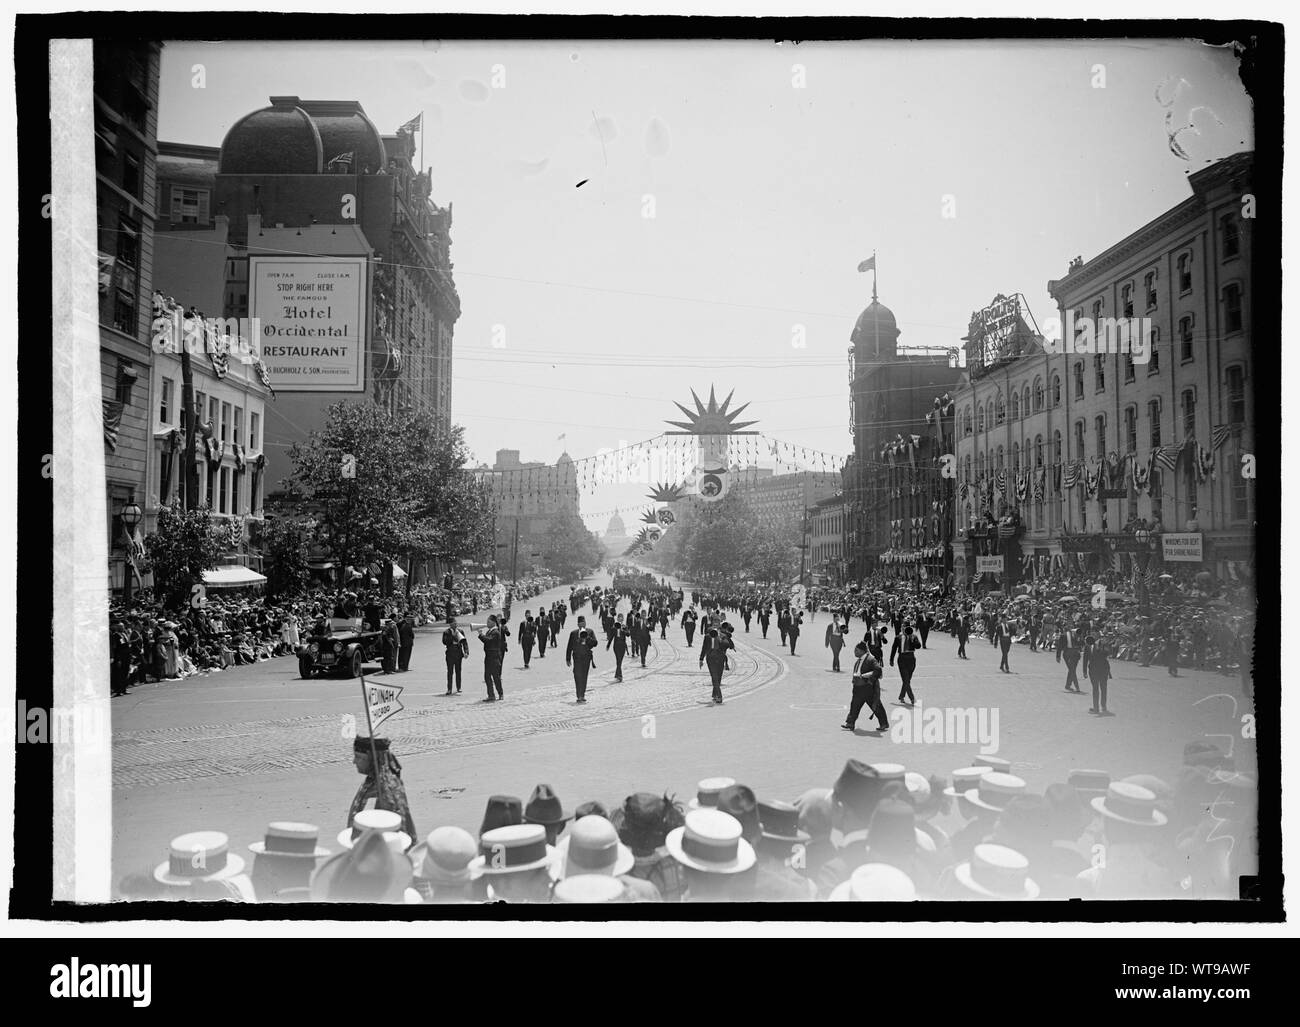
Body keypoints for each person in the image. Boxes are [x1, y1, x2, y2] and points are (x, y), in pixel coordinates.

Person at [346, 737, 418, 844]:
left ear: (373, 759)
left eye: (358, 757)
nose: (354, 761)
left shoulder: (385, 790)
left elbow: (393, 832)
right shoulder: (371, 782)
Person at [843, 642, 887, 732]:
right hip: (858, 688)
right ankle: (850, 723)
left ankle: (884, 723)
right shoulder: (859, 660)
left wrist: (870, 681)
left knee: (876, 705)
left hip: (867, 688)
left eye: (856, 650)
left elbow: (878, 669)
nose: (854, 652)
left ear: (862, 651)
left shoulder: (870, 659)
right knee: (854, 705)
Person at [566, 616, 598, 703]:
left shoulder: (590, 632)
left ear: (585, 623)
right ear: (578, 625)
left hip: (586, 658)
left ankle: (582, 695)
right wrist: (568, 658)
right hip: (577, 658)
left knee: (584, 676)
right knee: (577, 675)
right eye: (580, 624)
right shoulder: (573, 633)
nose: (582, 625)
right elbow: (569, 646)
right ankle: (579, 695)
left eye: (583, 623)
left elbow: (595, 643)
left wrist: (587, 638)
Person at [701, 627, 734, 704]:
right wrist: (701, 659)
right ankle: (719, 696)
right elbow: (704, 648)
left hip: (720, 658)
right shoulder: (707, 637)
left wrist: (722, 638)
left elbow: (730, 646)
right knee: (714, 676)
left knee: (718, 677)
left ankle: (715, 694)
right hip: (710, 658)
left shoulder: (722, 636)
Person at [477, 614, 506, 702]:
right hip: (488, 657)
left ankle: (500, 693)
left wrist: (481, 635)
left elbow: (488, 641)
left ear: (493, 622)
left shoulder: (496, 632)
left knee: (496, 677)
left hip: (494, 657)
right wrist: (482, 635)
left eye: (489, 622)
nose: (487, 623)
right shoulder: (489, 632)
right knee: (487, 677)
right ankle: (491, 695)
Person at [891, 624, 920, 705]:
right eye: (903, 627)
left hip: (911, 658)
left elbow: (918, 646)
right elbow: (894, 648)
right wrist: (891, 659)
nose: (905, 628)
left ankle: (901, 696)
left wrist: (913, 640)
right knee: (906, 679)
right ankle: (912, 698)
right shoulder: (898, 637)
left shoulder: (913, 636)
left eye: (907, 627)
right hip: (902, 658)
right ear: (901, 628)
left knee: (907, 680)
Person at [1086, 631, 1112, 715]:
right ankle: (1096, 708)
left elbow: (1107, 653)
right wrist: (1084, 670)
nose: (1093, 636)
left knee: (1103, 688)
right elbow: (1086, 658)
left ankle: (1103, 706)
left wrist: (1103, 646)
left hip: (1103, 670)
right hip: (1093, 670)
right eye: (1092, 634)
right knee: (1095, 689)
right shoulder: (1089, 645)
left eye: (1095, 634)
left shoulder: (1104, 645)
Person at [1056, 620, 1083, 693]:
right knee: (1072, 670)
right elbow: (1060, 646)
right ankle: (1077, 686)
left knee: (1072, 670)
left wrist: (1078, 638)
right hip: (1067, 653)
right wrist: (1058, 656)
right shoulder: (1064, 635)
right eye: (1068, 625)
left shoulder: (1077, 634)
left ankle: (1068, 685)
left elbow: (1081, 644)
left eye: (1071, 625)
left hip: (1076, 654)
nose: (1070, 627)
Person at [442, 617, 468, 695]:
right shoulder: (446, 632)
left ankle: (458, 687)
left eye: (456, 623)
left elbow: (465, 642)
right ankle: (449, 689)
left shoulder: (460, 631)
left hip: (458, 653)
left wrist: (466, 652)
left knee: (458, 671)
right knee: (450, 672)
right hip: (450, 654)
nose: (455, 625)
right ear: (450, 624)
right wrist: (453, 636)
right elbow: (444, 642)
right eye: (453, 624)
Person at [608, 616, 629, 682]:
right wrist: (608, 645)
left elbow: (628, 634)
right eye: (619, 619)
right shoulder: (614, 628)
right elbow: (611, 637)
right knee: (618, 660)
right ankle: (620, 676)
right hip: (616, 647)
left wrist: (625, 630)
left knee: (619, 662)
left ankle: (617, 675)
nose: (620, 620)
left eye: (621, 619)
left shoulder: (624, 627)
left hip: (623, 647)